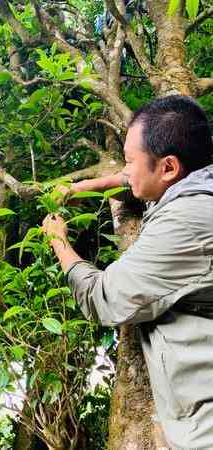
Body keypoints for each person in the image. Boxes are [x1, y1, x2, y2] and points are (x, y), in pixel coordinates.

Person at [42, 95, 213, 450]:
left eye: (130, 160)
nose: (126, 170)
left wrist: (59, 241)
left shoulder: (185, 222)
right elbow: (138, 183)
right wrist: (80, 188)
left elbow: (102, 298)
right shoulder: (197, 186)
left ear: (168, 167)